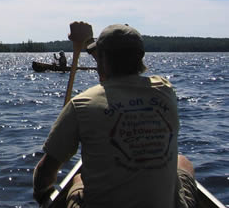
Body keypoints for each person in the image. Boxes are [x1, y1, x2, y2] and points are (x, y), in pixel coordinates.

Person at [33, 22, 197, 208]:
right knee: (182, 162)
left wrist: (42, 195)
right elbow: (118, 62)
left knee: (78, 179)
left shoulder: (82, 104)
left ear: (102, 58)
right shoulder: (165, 90)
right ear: (141, 56)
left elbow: (45, 172)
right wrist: (93, 45)